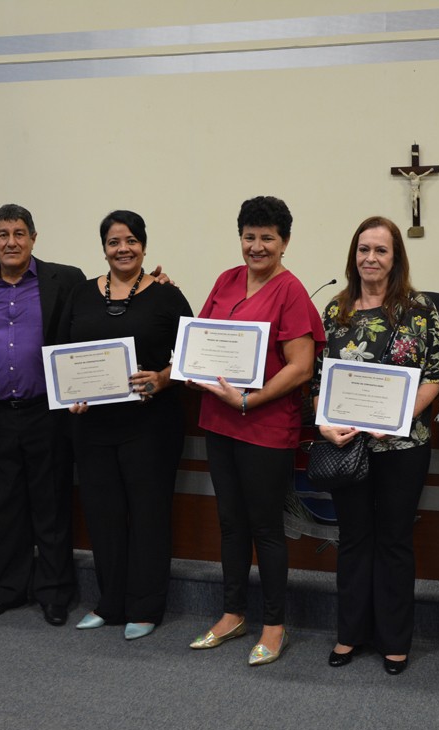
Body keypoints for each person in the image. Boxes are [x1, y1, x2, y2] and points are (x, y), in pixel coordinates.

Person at [188, 195, 325, 665]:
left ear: (285, 242)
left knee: (266, 527)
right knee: (230, 522)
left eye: (268, 238)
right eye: (249, 237)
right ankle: (232, 614)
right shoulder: (226, 280)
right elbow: (203, 337)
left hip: (264, 425)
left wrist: (250, 399)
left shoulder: (291, 291)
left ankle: (273, 624)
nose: (257, 246)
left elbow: (301, 366)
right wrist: (191, 367)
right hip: (219, 420)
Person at [312, 216, 439, 675]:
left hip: (403, 445)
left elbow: (436, 375)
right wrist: (324, 424)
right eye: (363, 249)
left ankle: (394, 640)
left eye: (380, 250)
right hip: (347, 445)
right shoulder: (335, 310)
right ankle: (350, 634)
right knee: (353, 539)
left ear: (396, 257)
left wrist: (398, 419)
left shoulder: (419, 309)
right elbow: (318, 379)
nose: (370, 258)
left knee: (393, 540)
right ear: (354, 255)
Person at [60, 210, 193, 640]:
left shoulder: (168, 296)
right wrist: (70, 393)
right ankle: (110, 603)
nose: (123, 249)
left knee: (149, 514)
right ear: (104, 248)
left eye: (131, 240)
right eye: (114, 241)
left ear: (144, 246)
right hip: (92, 426)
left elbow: (193, 357)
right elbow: (62, 352)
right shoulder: (81, 294)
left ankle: (145, 606)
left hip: (151, 424)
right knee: (104, 516)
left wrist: (163, 378)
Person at [0, 204, 85, 626]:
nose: (10, 242)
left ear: (33, 237)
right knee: (8, 506)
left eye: (19, 233)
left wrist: (154, 281)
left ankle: (54, 592)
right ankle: (10, 589)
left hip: (47, 413)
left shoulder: (66, 280)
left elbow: (97, 313)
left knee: (51, 505)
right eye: (2, 234)